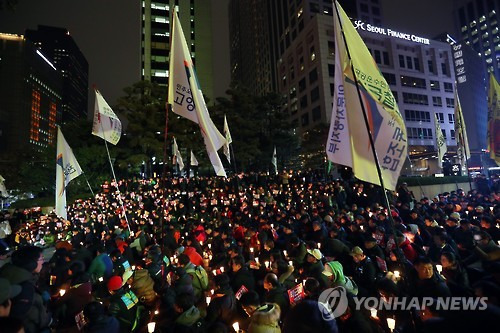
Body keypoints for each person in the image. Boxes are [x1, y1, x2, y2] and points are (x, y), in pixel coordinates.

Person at [0, 246, 51, 333]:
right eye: (41, 258)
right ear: (31, 263)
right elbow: (36, 318)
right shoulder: (26, 288)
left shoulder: (9, 272)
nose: (43, 261)